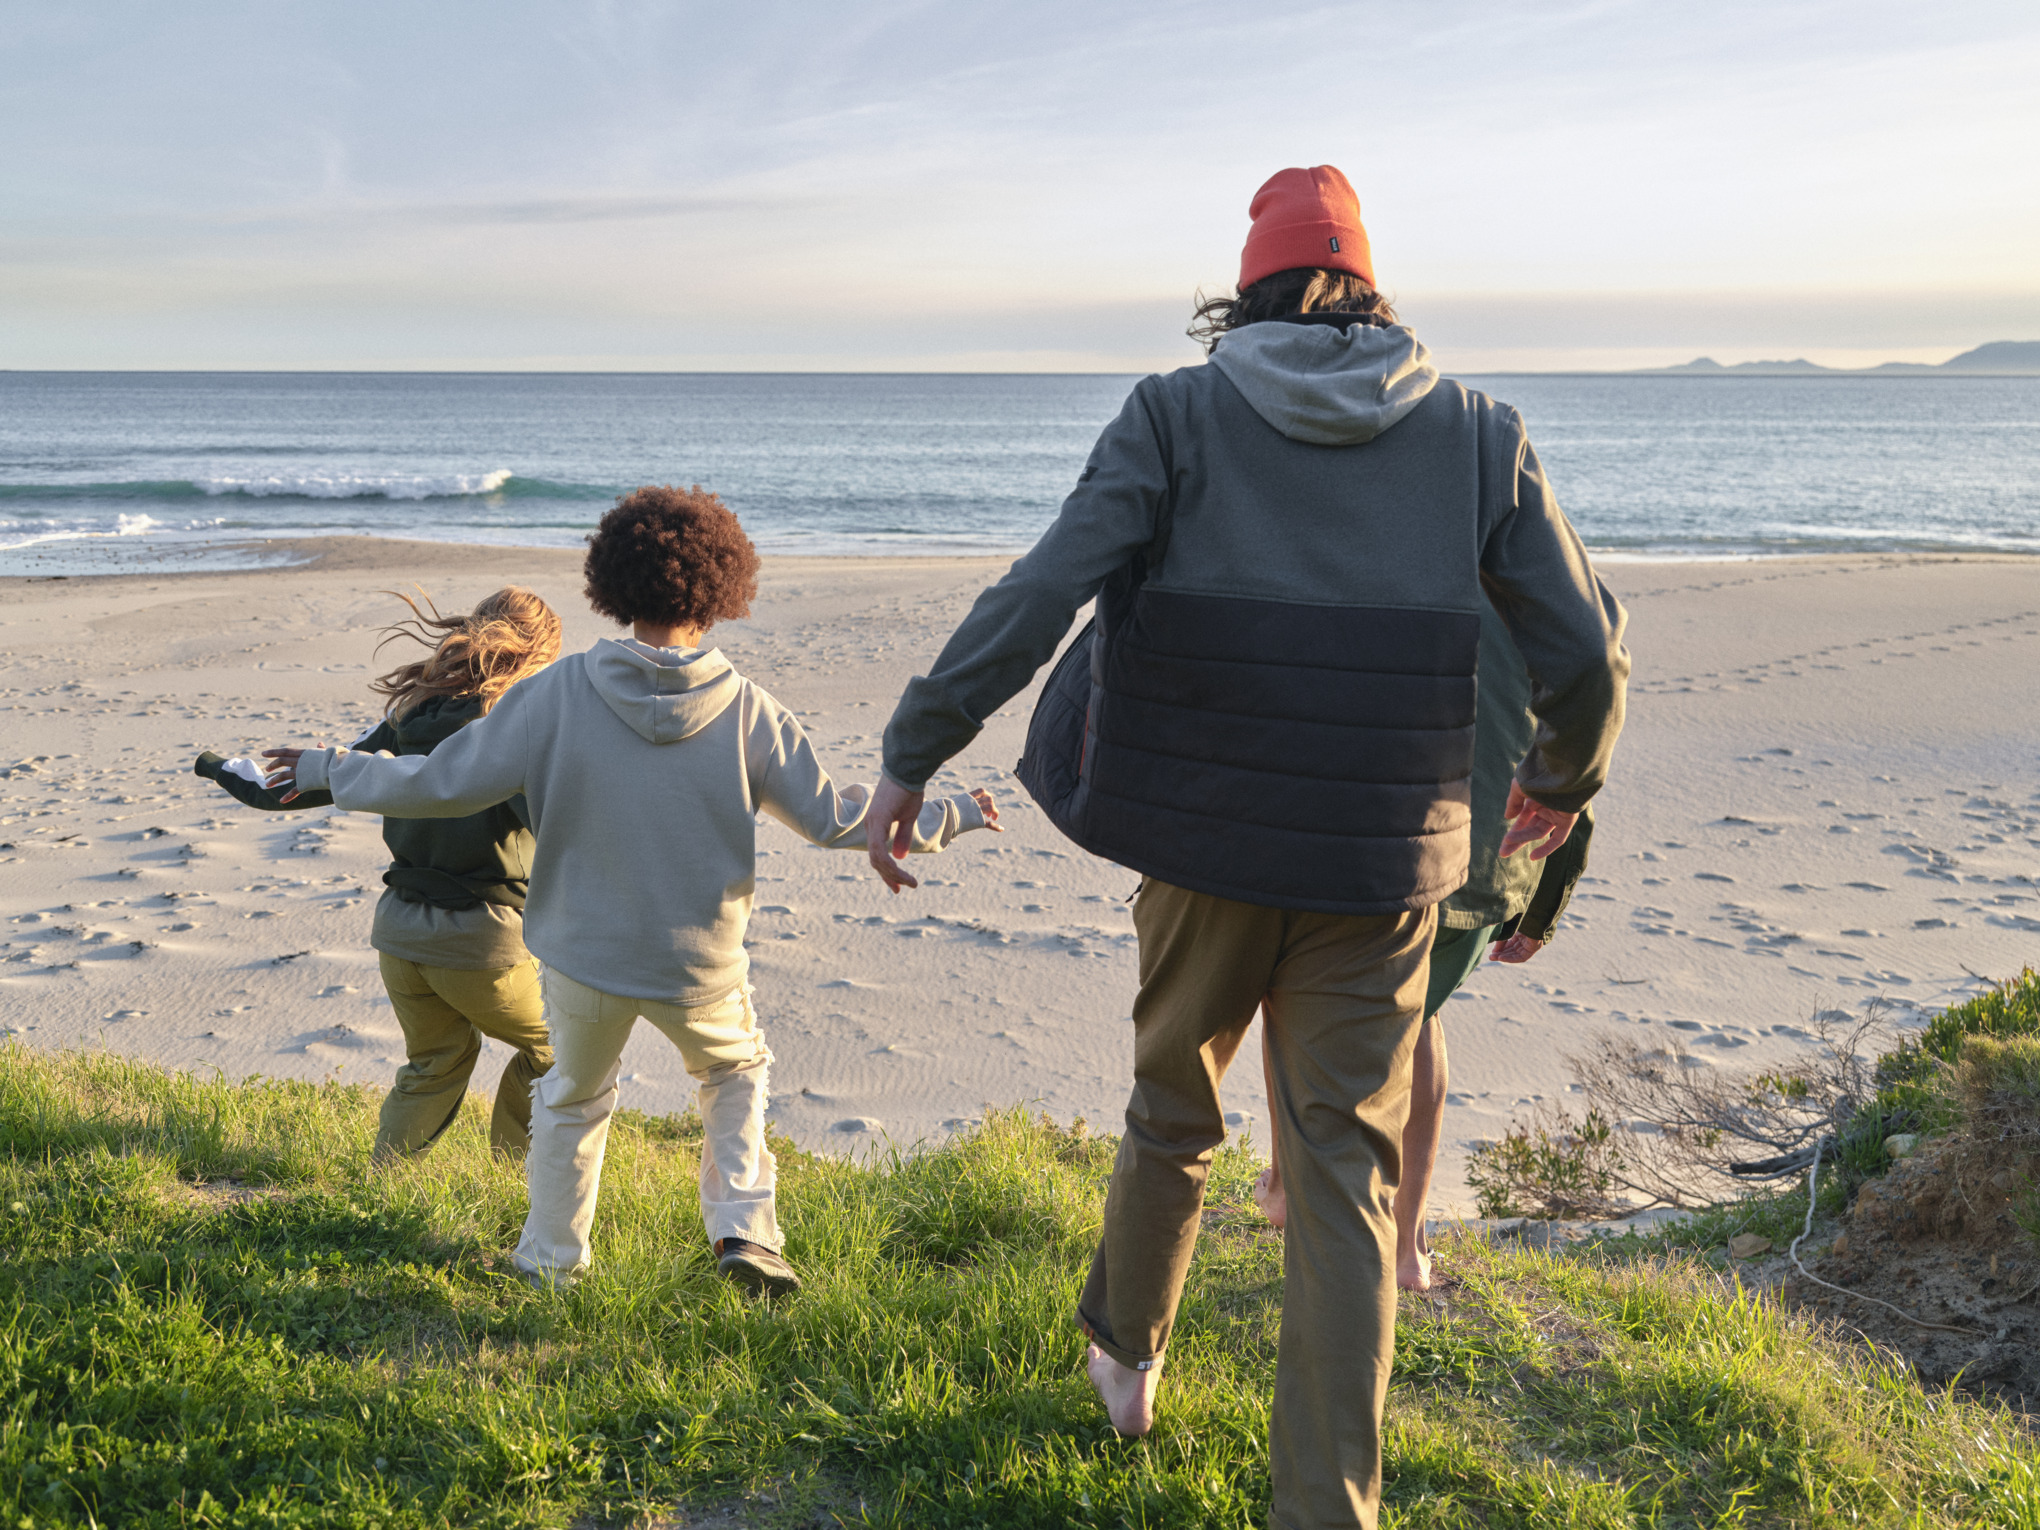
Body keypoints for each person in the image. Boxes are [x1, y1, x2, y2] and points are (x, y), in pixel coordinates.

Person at [864, 167, 1628, 1529]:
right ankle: (1327, 1507)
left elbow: (1042, 590)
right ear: (1370, 286)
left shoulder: (1177, 411)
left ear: (1250, 288)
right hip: (1385, 860)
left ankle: (1127, 1359)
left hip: (1204, 844)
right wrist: (1566, 781)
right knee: (1343, 1170)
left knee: (1176, 1104)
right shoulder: (1476, 432)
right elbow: (1584, 648)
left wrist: (915, 747)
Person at [261, 487, 1000, 1297]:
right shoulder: (750, 710)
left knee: (571, 1101)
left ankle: (551, 1267)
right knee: (733, 1076)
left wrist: (328, 768)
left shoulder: (554, 692)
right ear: (723, 596)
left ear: (611, 584)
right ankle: (747, 1234)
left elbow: (444, 782)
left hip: (581, 955)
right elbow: (834, 818)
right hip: (699, 962)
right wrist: (950, 818)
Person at [1251, 599, 1601, 1292]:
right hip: (1493, 859)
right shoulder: (1545, 578)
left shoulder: (1396, 550)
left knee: (1297, 996)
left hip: (1390, 843)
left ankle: (1295, 1188)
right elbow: (1580, 746)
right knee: (1419, 1022)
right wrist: (1543, 900)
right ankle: (1403, 1245)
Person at [194, 586, 561, 1162]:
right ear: (539, 657)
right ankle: (517, 1175)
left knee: (434, 1061)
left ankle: (383, 1186)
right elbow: (563, 829)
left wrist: (223, 769)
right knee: (561, 1050)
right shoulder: (516, 728)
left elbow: (297, 785)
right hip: (483, 943)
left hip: (401, 937)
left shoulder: (409, 713)